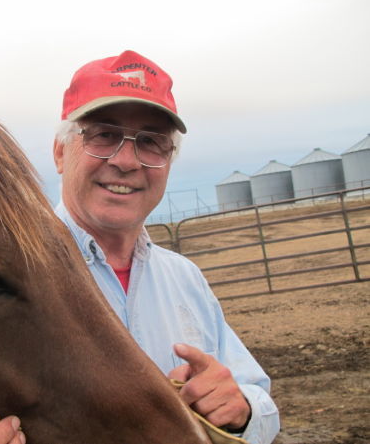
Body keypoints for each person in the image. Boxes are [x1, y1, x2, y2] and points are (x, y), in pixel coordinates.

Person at [51, 50, 280, 444]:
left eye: (151, 142)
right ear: (60, 153)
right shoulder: (8, 273)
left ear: (170, 160)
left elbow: (259, 401)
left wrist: (238, 408)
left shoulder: (182, 277)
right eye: (104, 135)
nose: (126, 161)